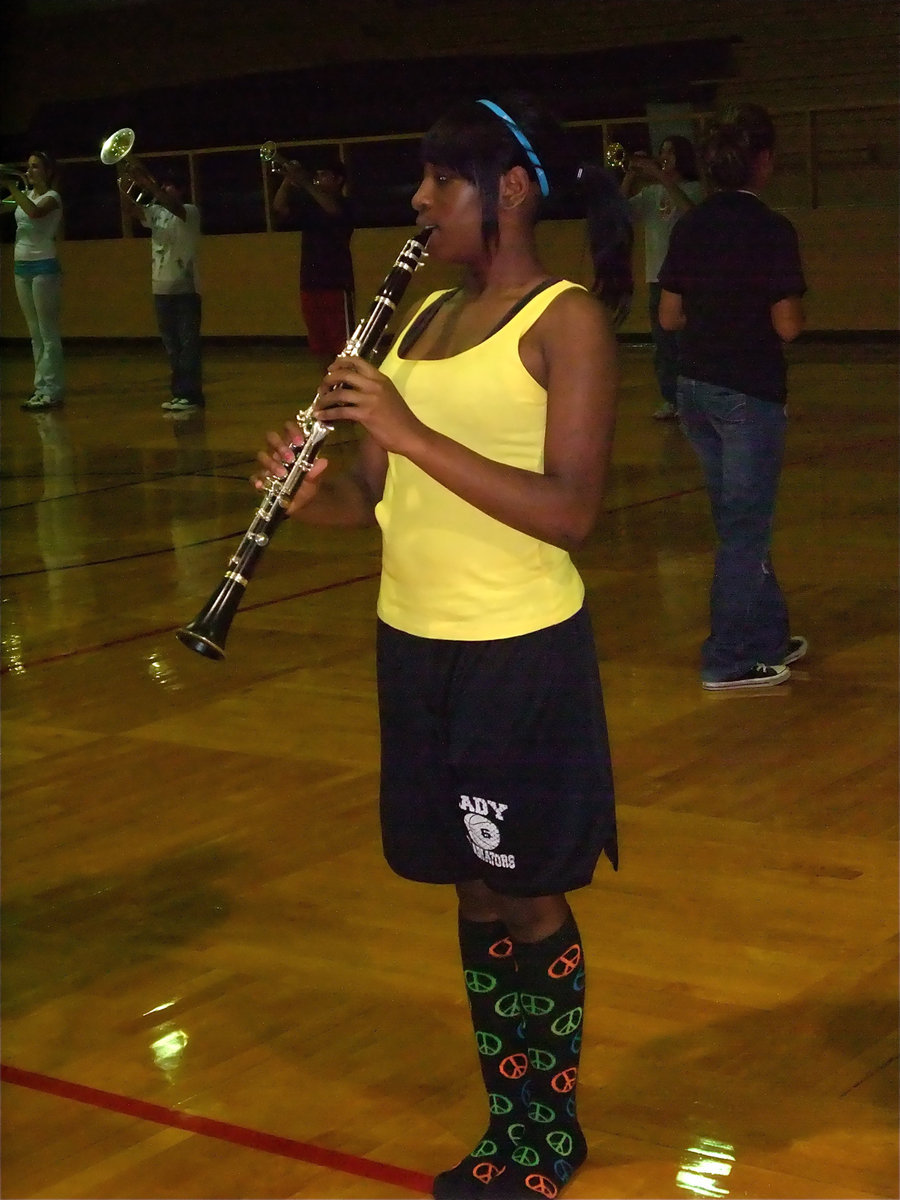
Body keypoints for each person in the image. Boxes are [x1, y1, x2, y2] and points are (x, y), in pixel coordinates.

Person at [255, 94, 631, 1200]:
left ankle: (548, 1137)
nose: (418, 203)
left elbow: (571, 511)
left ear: (510, 190)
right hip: (413, 645)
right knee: (470, 890)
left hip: (516, 653)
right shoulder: (419, 319)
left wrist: (408, 428)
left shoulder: (568, 321)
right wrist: (309, 489)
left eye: (440, 182)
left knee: (525, 893)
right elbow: (382, 502)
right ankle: (504, 1126)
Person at [658, 103, 808, 691]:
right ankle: (727, 657)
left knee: (737, 522)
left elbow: (669, 317)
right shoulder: (772, 228)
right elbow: (789, 325)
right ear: (763, 163)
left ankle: (767, 636)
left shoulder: (690, 226)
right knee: (746, 527)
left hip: (694, 388)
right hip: (749, 391)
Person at [621, 135, 703, 419]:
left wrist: (659, 176)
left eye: (670, 152)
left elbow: (692, 214)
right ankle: (671, 399)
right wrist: (631, 175)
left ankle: (694, 400)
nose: (664, 156)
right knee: (664, 347)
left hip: (689, 281)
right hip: (657, 279)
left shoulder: (695, 188)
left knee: (688, 344)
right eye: (662, 151)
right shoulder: (651, 194)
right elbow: (620, 213)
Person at [120, 163, 204, 413]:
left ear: (181, 191)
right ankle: (179, 392)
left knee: (188, 344)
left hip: (185, 288)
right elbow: (131, 211)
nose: (166, 189)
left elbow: (173, 206)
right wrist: (125, 184)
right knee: (172, 346)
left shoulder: (190, 211)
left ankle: (192, 395)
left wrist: (148, 183)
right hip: (160, 288)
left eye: (171, 186)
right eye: (165, 184)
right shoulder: (156, 212)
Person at [272, 156, 355, 373]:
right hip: (310, 282)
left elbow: (333, 211)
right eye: (316, 175)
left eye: (324, 175)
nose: (318, 178)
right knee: (319, 344)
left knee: (342, 344)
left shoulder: (344, 205)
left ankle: (346, 387)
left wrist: (305, 182)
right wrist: (288, 181)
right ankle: (327, 387)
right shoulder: (310, 207)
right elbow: (279, 207)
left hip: (336, 284)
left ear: (338, 180)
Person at [4, 151, 65, 411]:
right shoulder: (23, 195)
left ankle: (52, 390)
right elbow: (5, 207)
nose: (29, 171)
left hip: (44, 267)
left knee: (47, 331)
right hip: (22, 267)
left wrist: (10, 184)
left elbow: (35, 213)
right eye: (28, 167)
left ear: (48, 171)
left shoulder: (52, 198)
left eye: (35, 167)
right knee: (34, 333)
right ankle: (41, 388)